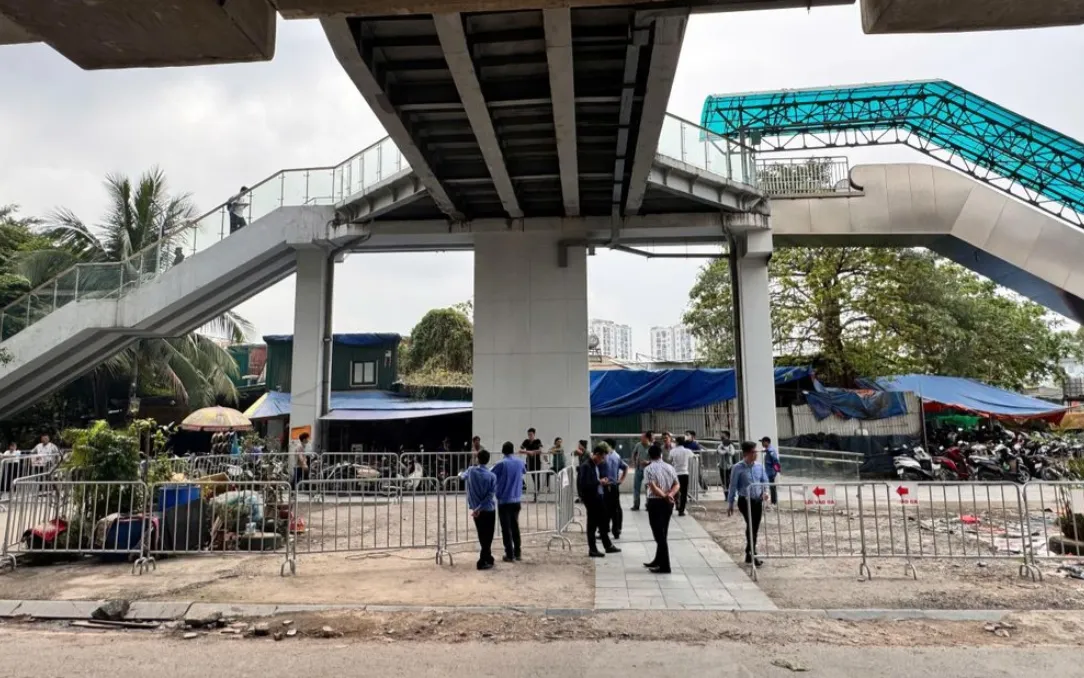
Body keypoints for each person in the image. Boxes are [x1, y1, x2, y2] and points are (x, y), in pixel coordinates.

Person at [728, 441, 770, 566]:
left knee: (754, 527)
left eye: (756, 452)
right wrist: (730, 503)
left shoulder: (759, 466)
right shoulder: (737, 467)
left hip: (757, 501)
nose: (755, 454)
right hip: (745, 501)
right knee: (751, 525)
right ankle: (752, 553)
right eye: (752, 452)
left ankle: (749, 552)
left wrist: (765, 492)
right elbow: (733, 486)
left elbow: (765, 481)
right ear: (745, 453)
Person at [577, 446, 621, 558]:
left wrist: (601, 482)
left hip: (598, 496)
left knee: (603, 521)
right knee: (592, 524)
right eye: (601, 457)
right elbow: (585, 484)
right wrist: (599, 482)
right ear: (596, 454)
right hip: (591, 498)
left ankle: (607, 545)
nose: (602, 460)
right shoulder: (586, 466)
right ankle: (593, 549)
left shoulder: (594, 465)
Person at [643, 443, 680, 574]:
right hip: (668, 502)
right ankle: (658, 560)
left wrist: (664, 495)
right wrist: (670, 495)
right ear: (660, 454)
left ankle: (665, 566)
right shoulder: (669, 467)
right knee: (663, 532)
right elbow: (677, 484)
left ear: (650, 455)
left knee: (659, 534)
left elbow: (652, 487)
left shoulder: (648, 469)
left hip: (656, 502)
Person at [462, 449, 498, 570]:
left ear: (477, 458)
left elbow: (462, 476)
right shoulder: (492, 476)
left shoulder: (471, 471)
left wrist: (476, 508)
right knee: (489, 535)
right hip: (488, 508)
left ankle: (487, 557)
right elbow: (490, 495)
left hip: (476, 509)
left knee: (482, 534)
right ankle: (484, 558)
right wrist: (480, 507)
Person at [491, 441, 526, 562]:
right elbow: (524, 471)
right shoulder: (520, 462)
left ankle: (509, 554)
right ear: (513, 450)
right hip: (516, 499)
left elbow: (490, 474)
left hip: (504, 500)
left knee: (506, 529)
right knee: (515, 526)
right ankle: (518, 552)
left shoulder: (501, 464)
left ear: (503, 451)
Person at [602, 443, 628, 539]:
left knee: (608, 509)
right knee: (616, 509)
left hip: (608, 486)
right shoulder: (617, 456)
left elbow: (625, 467)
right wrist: (620, 480)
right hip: (614, 486)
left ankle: (607, 530)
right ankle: (616, 530)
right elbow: (625, 467)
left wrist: (620, 480)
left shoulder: (607, 457)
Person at [669, 436, 694, 517]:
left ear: (676, 442)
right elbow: (693, 456)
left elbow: (670, 459)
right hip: (684, 473)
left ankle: (673, 506)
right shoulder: (687, 451)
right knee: (684, 492)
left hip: (675, 473)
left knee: (674, 491)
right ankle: (681, 510)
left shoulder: (673, 451)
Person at [630, 430, 654, 511]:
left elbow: (655, 459)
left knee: (648, 488)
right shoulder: (638, 445)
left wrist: (648, 462)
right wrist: (634, 462)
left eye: (643, 437)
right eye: (641, 437)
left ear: (647, 438)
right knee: (636, 487)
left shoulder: (652, 446)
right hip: (638, 469)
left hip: (648, 470)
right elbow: (634, 453)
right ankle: (636, 504)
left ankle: (648, 504)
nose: (641, 438)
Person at [520, 427, 544, 500]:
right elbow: (520, 449)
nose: (529, 436)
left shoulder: (537, 441)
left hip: (536, 463)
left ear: (534, 434)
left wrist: (532, 452)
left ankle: (536, 495)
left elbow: (540, 451)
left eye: (531, 434)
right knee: (518, 470)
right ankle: (523, 484)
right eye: (528, 435)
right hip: (529, 462)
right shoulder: (526, 441)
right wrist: (528, 452)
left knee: (536, 478)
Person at [761, 436, 781, 507]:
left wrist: (776, 470)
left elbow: (775, 461)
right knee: (770, 486)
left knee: (772, 487)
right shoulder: (768, 450)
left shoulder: (771, 450)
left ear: (767, 442)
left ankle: (774, 502)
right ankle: (772, 501)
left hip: (771, 472)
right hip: (768, 471)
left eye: (763, 442)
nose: (762, 444)